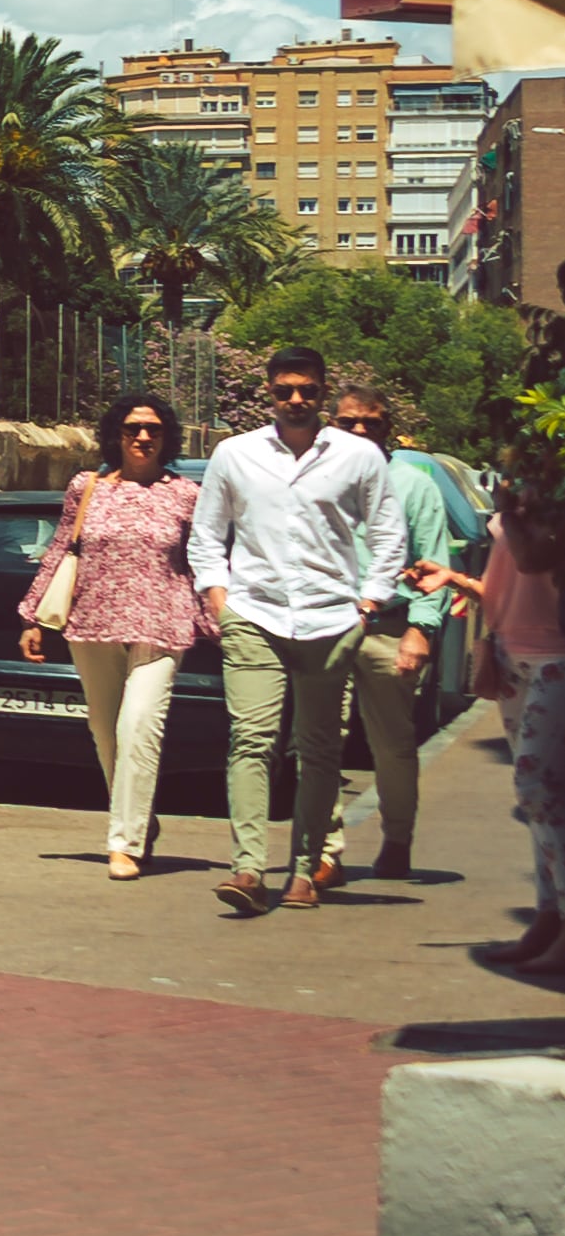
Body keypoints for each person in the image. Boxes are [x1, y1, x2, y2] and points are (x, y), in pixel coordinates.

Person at [188, 346, 403, 915]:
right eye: (285, 390)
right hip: (254, 616)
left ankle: (306, 871)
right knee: (251, 741)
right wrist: (219, 599)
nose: (296, 400)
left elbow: (388, 534)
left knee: (318, 749)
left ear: (323, 391)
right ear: (270, 392)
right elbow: (207, 535)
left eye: (307, 389)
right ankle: (250, 868)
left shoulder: (358, 456)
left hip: (332, 621)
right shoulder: (235, 454)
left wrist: (368, 606)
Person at [11, 395, 202, 880]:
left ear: (167, 437)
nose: (143, 437)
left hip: (163, 623)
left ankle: (125, 843)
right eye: (133, 428)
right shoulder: (87, 487)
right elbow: (60, 547)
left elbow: (206, 560)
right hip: (93, 621)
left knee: (139, 726)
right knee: (105, 730)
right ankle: (141, 819)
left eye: (154, 430)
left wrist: (219, 619)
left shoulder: (186, 494)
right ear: (115, 434)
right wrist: (33, 616)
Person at [409, 495, 565, 977]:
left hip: (555, 659)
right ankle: (548, 918)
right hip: (512, 654)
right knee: (543, 798)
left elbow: (534, 559)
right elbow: (510, 585)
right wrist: (457, 580)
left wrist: (514, 512)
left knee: (536, 789)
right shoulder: (515, 505)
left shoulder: (544, 508)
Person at [327, 383, 459, 881]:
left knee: (393, 745)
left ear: (388, 429)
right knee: (318, 740)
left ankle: (397, 839)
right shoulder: (317, 478)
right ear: (331, 424)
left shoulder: (414, 483)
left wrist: (421, 631)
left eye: (372, 422)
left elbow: (433, 563)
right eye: (348, 422)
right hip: (328, 626)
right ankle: (324, 852)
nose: (360, 430)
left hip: (389, 628)